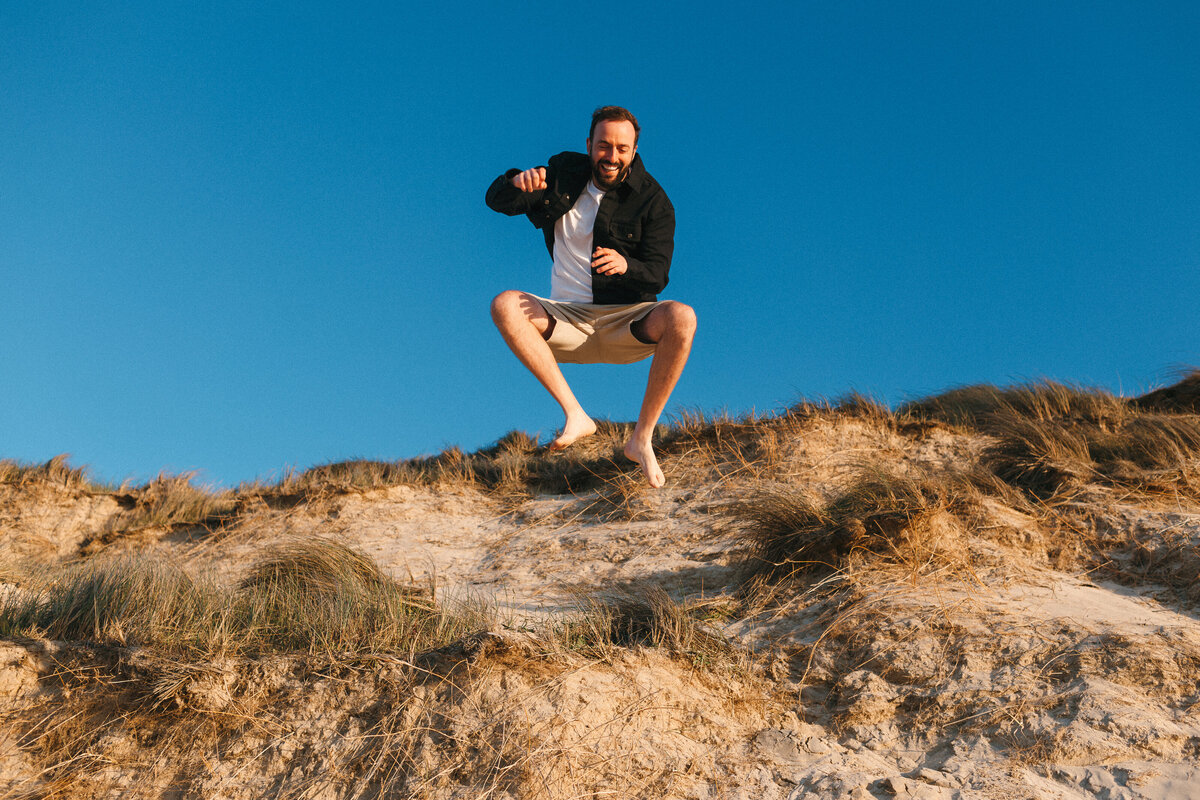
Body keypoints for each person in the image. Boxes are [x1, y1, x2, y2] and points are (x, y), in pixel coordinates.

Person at [486, 106, 696, 488]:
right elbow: (497, 202)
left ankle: (641, 439)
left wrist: (626, 265)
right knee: (504, 304)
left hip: (626, 322)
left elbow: (659, 273)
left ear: (633, 150)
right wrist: (518, 182)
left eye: (621, 148)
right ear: (589, 145)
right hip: (565, 320)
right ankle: (575, 415)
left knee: (683, 317)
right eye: (603, 146)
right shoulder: (564, 172)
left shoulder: (654, 201)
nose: (611, 157)